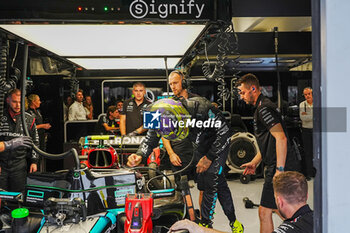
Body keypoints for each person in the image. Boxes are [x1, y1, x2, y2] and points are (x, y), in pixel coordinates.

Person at [127, 97, 244, 232]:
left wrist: (210, 157)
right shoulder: (155, 114)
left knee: (212, 177)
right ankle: (232, 221)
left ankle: (206, 224)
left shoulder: (202, 109)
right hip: (198, 146)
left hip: (216, 144)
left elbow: (225, 133)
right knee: (219, 183)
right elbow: (150, 139)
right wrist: (140, 154)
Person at [237, 73, 300, 233]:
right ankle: (303, 227)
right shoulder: (261, 107)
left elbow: (281, 138)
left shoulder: (264, 108)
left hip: (279, 167)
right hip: (277, 164)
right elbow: (269, 141)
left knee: (265, 210)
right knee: (280, 210)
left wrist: (279, 170)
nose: (241, 96)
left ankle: (304, 227)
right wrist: (255, 161)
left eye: (243, 92)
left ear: (253, 88)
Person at [169, 171, 313, 233]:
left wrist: (199, 229)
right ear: (306, 196)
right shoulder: (320, 218)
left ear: (279, 201)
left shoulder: (290, 229)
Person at [0, 89, 39, 192]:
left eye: (20, 102)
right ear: (8, 100)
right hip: (2, 164)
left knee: (18, 196)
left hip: (19, 164)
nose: (17, 105)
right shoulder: (1, 116)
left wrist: (34, 162)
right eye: (14, 101)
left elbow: (35, 142)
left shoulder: (29, 119)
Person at [299, 87, 314, 180]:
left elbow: (320, 116)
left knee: (317, 153)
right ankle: (309, 173)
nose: (307, 96)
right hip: (306, 131)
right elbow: (302, 118)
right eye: (305, 94)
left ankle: (317, 172)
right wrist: (313, 116)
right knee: (307, 152)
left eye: (309, 93)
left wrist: (308, 115)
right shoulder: (302, 105)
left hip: (316, 131)